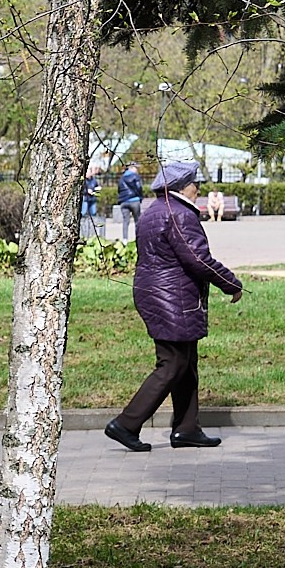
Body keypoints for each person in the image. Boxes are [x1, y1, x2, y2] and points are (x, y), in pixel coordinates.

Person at [105, 160, 241, 452]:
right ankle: (126, 423)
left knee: (186, 364)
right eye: (196, 184)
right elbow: (198, 258)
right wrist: (230, 283)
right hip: (172, 298)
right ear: (182, 186)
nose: (199, 189)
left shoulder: (155, 210)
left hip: (158, 294)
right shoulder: (179, 214)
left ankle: (187, 429)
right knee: (173, 364)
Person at [115, 160, 145, 241]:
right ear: (132, 168)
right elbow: (139, 188)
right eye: (136, 168)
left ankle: (125, 239)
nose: (137, 170)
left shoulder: (122, 178)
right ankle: (138, 238)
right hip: (134, 201)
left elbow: (119, 190)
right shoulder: (135, 176)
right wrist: (140, 197)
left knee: (125, 221)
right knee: (137, 221)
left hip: (123, 202)